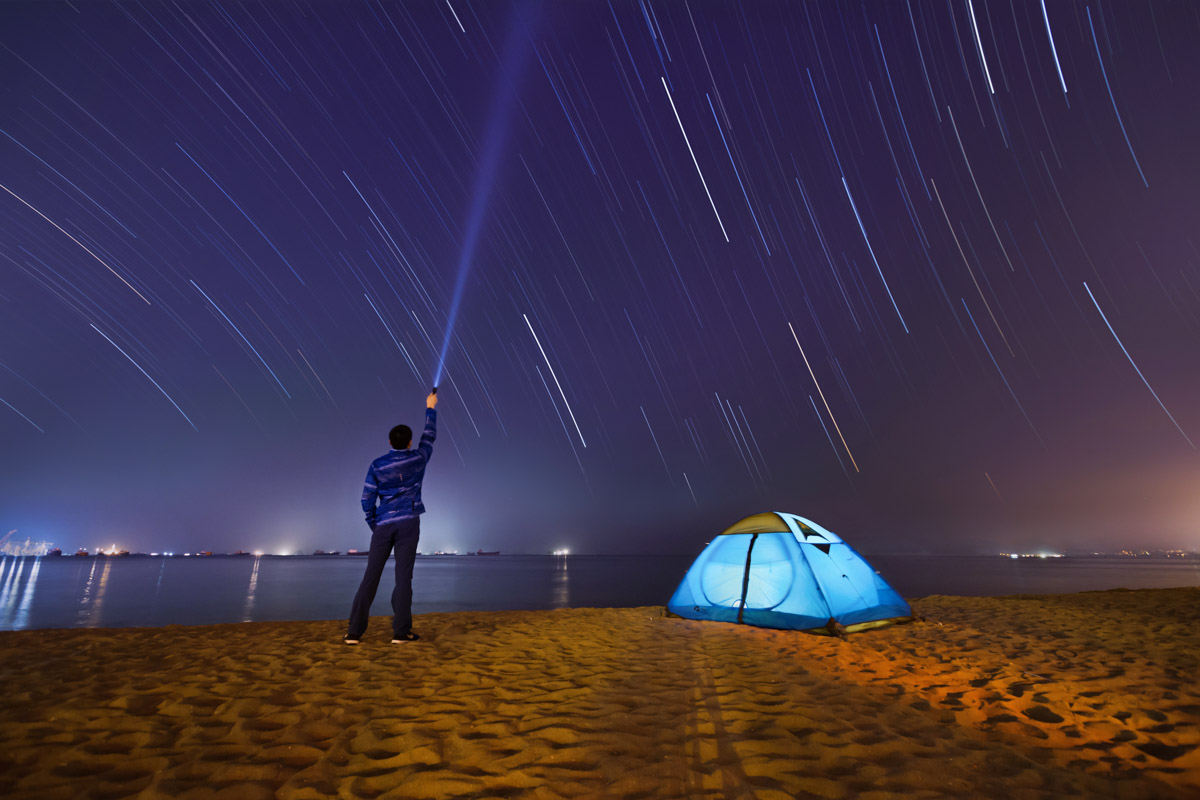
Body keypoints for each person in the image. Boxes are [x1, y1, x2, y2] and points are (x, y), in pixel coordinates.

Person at [345, 391, 438, 645]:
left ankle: (354, 632)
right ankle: (400, 632)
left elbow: (366, 498)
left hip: (383, 525)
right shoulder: (418, 459)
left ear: (389, 441)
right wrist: (430, 408)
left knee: (370, 577)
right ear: (409, 443)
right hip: (408, 522)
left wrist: (373, 522)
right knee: (403, 577)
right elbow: (429, 438)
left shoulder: (377, 465)